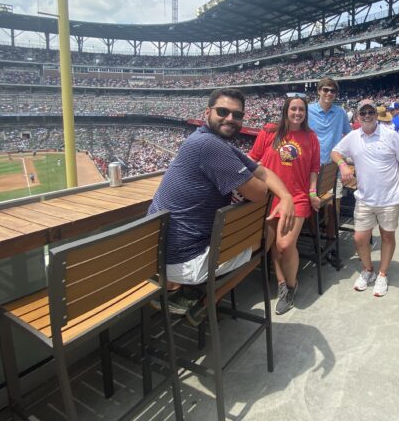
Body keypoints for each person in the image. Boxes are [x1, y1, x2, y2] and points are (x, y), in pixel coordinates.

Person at [149, 88, 295, 325]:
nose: (230, 119)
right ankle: (208, 300)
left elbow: (263, 171)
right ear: (208, 112)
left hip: (164, 253)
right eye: (223, 112)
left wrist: (286, 197)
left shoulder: (208, 139)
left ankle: (194, 294)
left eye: (236, 115)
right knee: (267, 233)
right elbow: (259, 192)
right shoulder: (210, 146)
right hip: (180, 261)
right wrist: (265, 187)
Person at [331, 99, 399, 297]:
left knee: (387, 236)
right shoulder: (353, 137)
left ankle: (382, 273)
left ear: (376, 114)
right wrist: (342, 164)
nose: (367, 116)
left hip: (390, 197)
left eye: (370, 112)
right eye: (363, 113)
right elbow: (335, 152)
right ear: (358, 116)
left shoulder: (391, 135)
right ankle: (368, 270)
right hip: (365, 197)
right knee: (360, 238)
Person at [248, 96, 321, 315]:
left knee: (285, 245)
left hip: (296, 197)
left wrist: (312, 193)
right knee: (271, 243)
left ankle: (291, 285)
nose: (297, 113)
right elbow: (253, 159)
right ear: (286, 111)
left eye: (301, 109)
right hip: (269, 198)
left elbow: (314, 169)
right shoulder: (269, 132)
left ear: (305, 113)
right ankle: (282, 284)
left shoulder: (311, 137)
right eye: (293, 109)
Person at [308, 77, 351, 266]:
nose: (329, 94)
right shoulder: (307, 111)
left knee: (334, 209)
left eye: (332, 91)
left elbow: (349, 137)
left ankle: (330, 246)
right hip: (311, 169)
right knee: (311, 209)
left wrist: (345, 161)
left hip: (332, 169)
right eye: (325, 90)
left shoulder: (340, 113)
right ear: (318, 91)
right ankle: (317, 245)